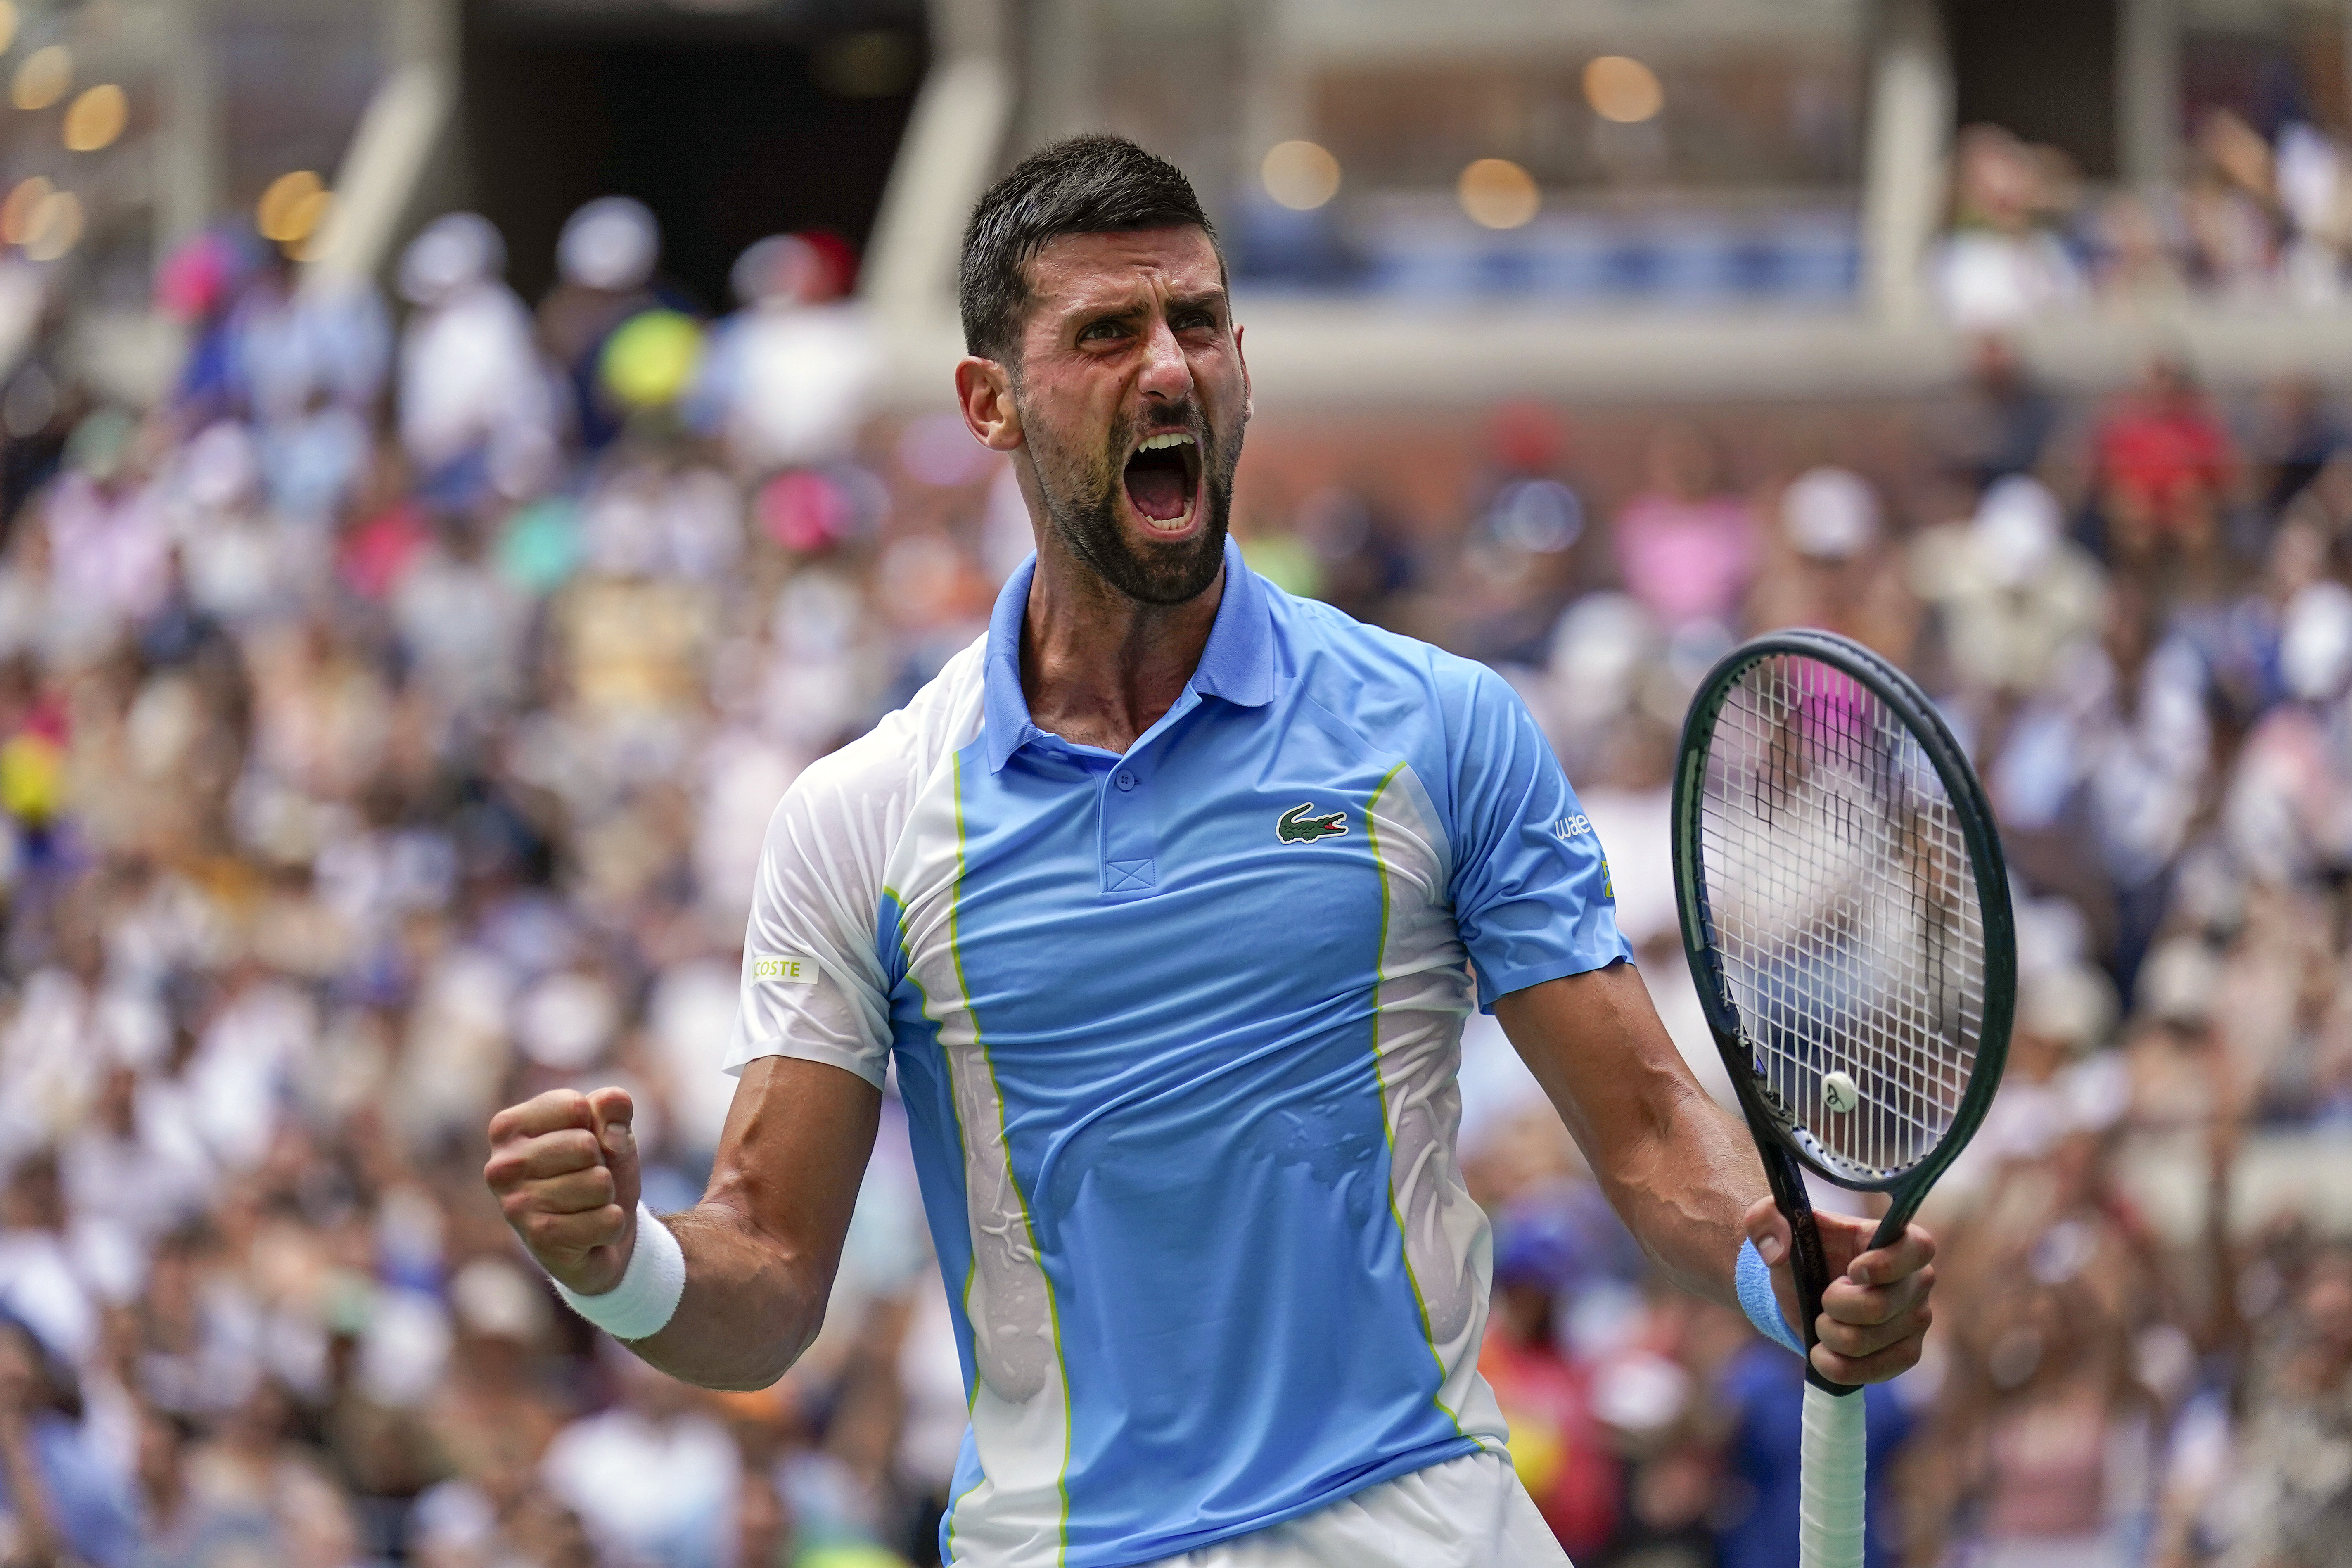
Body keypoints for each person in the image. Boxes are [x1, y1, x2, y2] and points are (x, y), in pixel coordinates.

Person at [483, 135, 1938, 1568]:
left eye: (1196, 321)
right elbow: (770, 1278)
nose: (1169, 368)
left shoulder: (1441, 729)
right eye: (1107, 333)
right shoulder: (861, 817)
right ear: (990, 403)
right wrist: (623, 1265)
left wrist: (1775, 1261)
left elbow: (1645, 1133)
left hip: (1418, 1519)